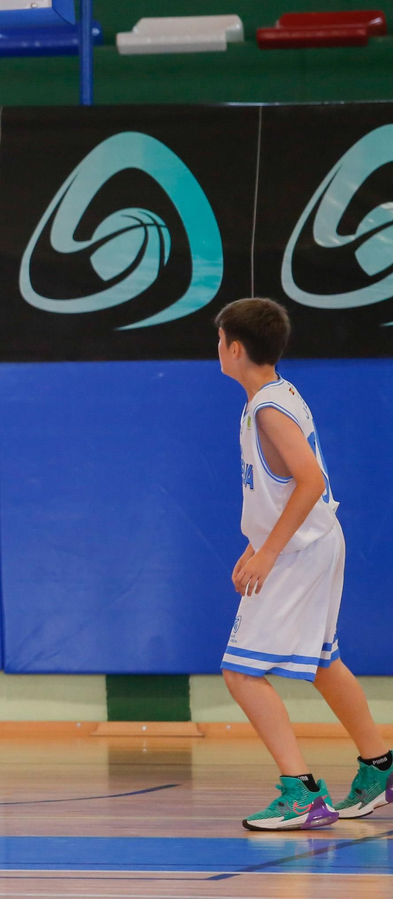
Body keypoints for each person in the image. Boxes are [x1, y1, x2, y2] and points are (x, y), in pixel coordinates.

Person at [215, 297, 390, 830]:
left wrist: (267, 551)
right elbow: (286, 486)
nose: (217, 348)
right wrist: (257, 542)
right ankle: (379, 767)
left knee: (241, 672)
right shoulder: (275, 394)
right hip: (313, 542)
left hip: (300, 551)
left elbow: (310, 481)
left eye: (220, 339)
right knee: (322, 661)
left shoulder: (268, 406)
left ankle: (302, 793)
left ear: (236, 347)